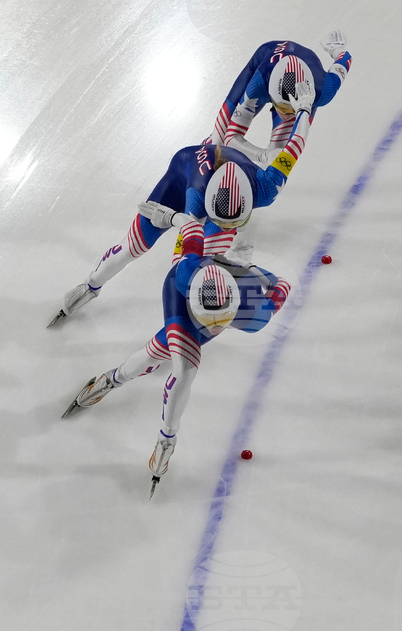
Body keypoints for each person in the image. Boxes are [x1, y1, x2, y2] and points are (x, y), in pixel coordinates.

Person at [46, 80, 313, 327]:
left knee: (209, 253)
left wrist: (304, 109)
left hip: (212, 181)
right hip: (181, 176)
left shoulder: (268, 186)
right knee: (134, 247)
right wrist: (172, 221)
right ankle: (91, 285)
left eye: (232, 222)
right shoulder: (197, 198)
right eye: (221, 220)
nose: (222, 225)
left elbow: (296, 146)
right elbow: (184, 250)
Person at [60, 216, 291, 496]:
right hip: (179, 297)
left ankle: (112, 380)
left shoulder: (252, 314)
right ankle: (166, 438)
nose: (214, 325)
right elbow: (191, 226)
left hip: (215, 290)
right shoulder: (187, 272)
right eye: (212, 319)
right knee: (185, 370)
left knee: (158, 351)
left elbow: (283, 286)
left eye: (220, 321)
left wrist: (256, 272)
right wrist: (170, 216)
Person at [206, 32, 352, 168]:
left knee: (277, 158)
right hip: (266, 55)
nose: (288, 115)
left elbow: (345, 58)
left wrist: (336, 50)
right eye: (283, 108)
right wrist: (262, 155)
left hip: (303, 84)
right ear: (270, 96)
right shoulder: (258, 85)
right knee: (218, 139)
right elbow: (230, 137)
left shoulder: (322, 91)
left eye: (293, 109)